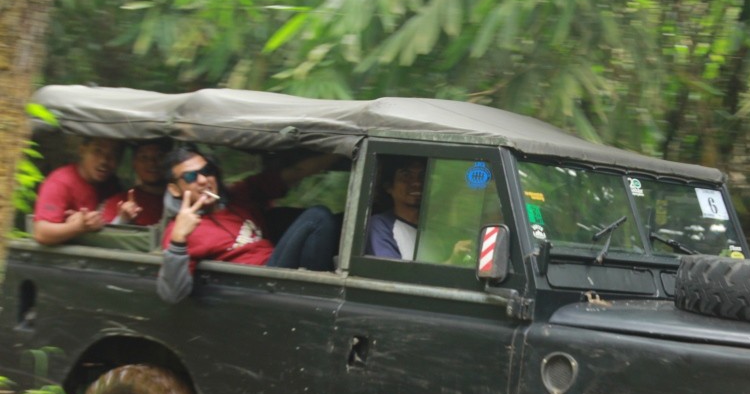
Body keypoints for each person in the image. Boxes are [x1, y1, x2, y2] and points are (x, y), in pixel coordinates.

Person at [156, 145, 339, 304]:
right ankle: (318, 296)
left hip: (276, 264)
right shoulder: (180, 229)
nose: (203, 180)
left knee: (329, 219)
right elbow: (171, 294)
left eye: (207, 170)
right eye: (190, 177)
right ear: (174, 189)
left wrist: (339, 152)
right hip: (260, 285)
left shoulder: (238, 197)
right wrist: (178, 239)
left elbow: (296, 173)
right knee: (317, 217)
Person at [366, 156, 473, 263]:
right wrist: (452, 262)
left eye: (422, 176)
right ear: (388, 187)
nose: (417, 183)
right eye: (406, 176)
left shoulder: (433, 235)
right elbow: (390, 273)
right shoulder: (380, 226)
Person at [32, 137, 123, 245]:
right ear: (82, 151)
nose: (104, 160)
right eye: (97, 151)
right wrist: (78, 227)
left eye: (113, 154)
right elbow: (42, 233)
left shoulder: (111, 185)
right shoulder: (60, 182)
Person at [101, 139, 172, 226]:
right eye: (144, 157)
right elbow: (107, 236)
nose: (151, 162)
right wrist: (123, 219)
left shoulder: (181, 199)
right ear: (134, 163)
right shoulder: (119, 202)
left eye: (159, 156)